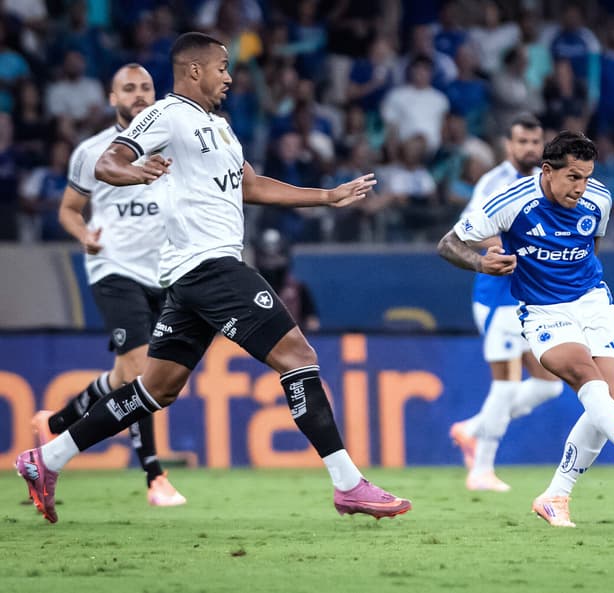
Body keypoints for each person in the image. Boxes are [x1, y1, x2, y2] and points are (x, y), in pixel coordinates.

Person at [15, 32, 410, 524]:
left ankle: (45, 459)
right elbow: (108, 161)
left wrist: (326, 197)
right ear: (194, 70)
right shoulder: (166, 114)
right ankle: (349, 484)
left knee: (154, 389)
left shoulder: (219, 126)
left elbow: (252, 185)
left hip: (191, 277)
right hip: (211, 266)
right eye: (222, 67)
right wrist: (135, 173)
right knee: (298, 357)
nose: (229, 76)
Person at [438, 131, 614, 527]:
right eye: (572, 177)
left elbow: (589, 248)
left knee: (609, 400)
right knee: (586, 377)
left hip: (593, 301)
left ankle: (555, 496)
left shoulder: (600, 198)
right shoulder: (511, 202)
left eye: (586, 177)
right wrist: (481, 264)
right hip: (543, 311)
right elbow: (448, 243)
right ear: (547, 171)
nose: (581, 188)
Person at [30, 63, 185, 507]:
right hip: (114, 270)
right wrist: (85, 237)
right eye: (128, 89)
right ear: (113, 99)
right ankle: (155, 477)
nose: (138, 95)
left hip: (166, 275)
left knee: (125, 377)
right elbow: (68, 210)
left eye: (145, 88)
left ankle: (55, 425)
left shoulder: (175, 147)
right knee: (143, 374)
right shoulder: (93, 152)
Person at [447, 113, 563, 492]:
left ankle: (473, 428)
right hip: (499, 296)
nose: (529, 148)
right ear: (508, 146)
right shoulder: (495, 183)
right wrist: (502, 248)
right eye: (522, 142)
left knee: (549, 385)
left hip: (528, 294)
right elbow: (467, 232)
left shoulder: (542, 181)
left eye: (535, 142)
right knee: (506, 383)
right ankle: (481, 470)